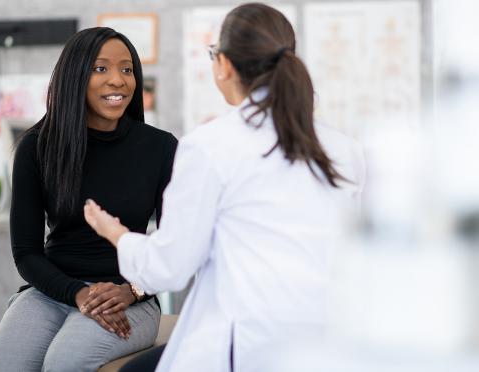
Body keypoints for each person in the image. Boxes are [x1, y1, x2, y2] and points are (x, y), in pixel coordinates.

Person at [84, 3, 365, 372]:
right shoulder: (344, 150)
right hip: (331, 341)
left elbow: (169, 269)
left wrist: (118, 235)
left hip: (248, 346)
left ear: (226, 65)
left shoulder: (210, 146)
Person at [0, 27, 177, 372]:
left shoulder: (161, 148)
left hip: (131, 298)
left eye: (127, 69)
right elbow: (26, 252)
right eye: (100, 68)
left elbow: (173, 247)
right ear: (75, 77)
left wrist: (131, 291)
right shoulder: (36, 146)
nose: (118, 80)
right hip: (52, 292)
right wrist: (78, 293)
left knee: (64, 362)